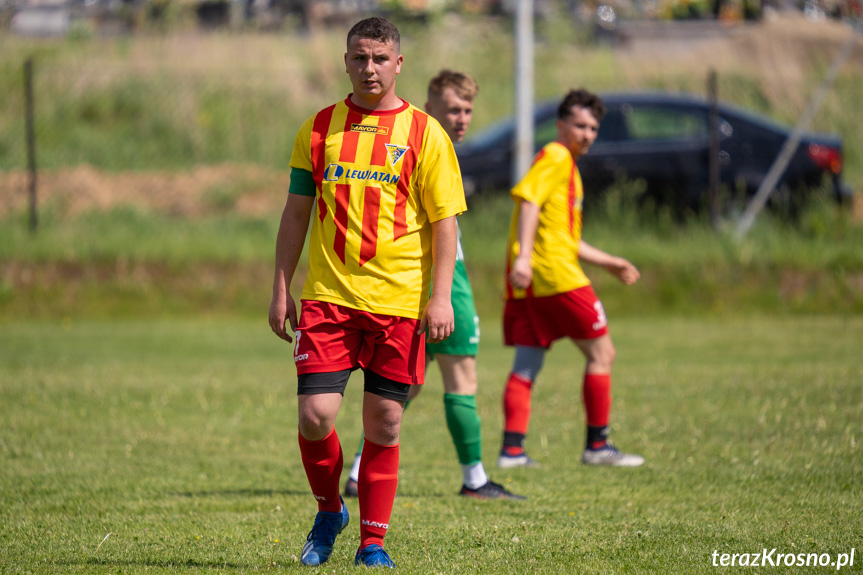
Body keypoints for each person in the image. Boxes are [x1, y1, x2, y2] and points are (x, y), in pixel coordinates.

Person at [268, 17, 465, 568]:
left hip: (400, 302)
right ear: (346, 61)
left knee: (386, 422)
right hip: (330, 299)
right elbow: (295, 215)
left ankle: (372, 543)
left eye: (380, 58)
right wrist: (282, 288)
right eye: (360, 57)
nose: (370, 68)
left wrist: (441, 295)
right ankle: (330, 509)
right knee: (316, 416)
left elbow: (445, 222)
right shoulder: (318, 128)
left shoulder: (426, 134)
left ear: (399, 63)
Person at [342, 70, 524, 501]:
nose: (461, 118)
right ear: (430, 105)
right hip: (441, 280)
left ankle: (357, 472)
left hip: (407, 279)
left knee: (405, 385)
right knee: (461, 375)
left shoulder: (410, 141)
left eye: (467, 110)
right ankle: (476, 480)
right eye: (452, 109)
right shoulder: (427, 141)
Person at [497, 88, 645, 470]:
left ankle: (512, 452)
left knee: (526, 363)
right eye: (579, 125)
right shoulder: (557, 155)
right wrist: (525, 257)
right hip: (556, 276)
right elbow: (528, 201)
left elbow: (566, 237)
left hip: (532, 281)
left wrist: (610, 262)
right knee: (602, 353)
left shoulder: (568, 167)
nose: (587, 133)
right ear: (561, 125)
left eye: (593, 127)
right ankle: (598, 445)